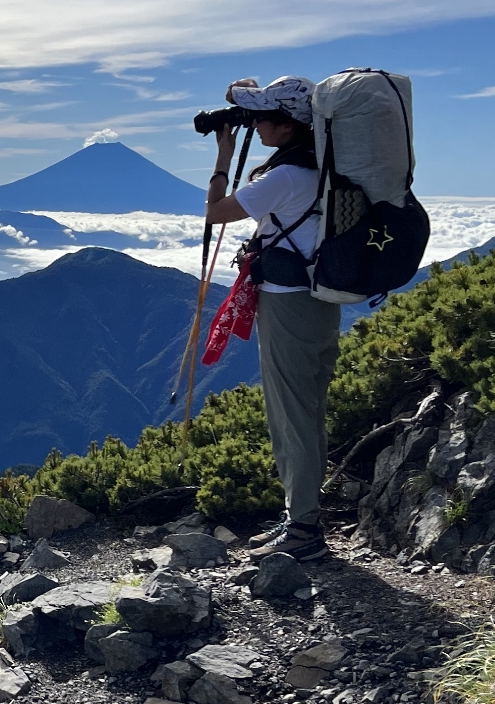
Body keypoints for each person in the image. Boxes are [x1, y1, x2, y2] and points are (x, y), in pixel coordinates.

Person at [203, 75, 340, 561]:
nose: (256, 124)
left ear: (287, 125)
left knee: (292, 416)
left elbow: (217, 213)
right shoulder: (320, 166)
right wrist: (242, 94)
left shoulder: (283, 177)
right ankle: (300, 516)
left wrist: (223, 156)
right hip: (318, 300)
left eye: (263, 117)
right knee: (307, 410)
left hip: (287, 302)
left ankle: (303, 529)